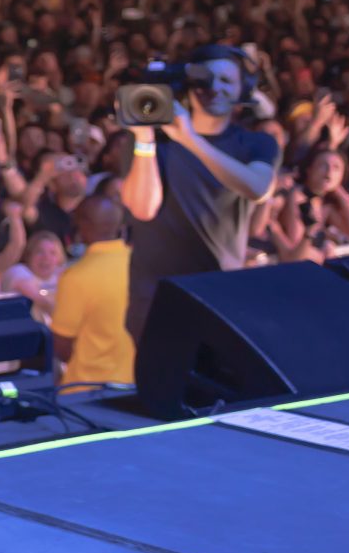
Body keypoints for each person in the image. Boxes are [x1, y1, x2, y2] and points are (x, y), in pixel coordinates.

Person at [118, 47, 279, 340]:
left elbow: (258, 189)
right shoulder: (155, 141)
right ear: (190, 85)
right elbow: (143, 209)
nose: (214, 88)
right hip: (156, 293)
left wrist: (190, 140)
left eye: (226, 81)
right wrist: (144, 139)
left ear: (244, 88)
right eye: (205, 79)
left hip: (219, 289)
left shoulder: (256, 143)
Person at [49, 195, 135, 388]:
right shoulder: (142, 264)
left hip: (87, 391)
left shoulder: (76, 277)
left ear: (82, 226)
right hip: (136, 385)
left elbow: (61, 346)